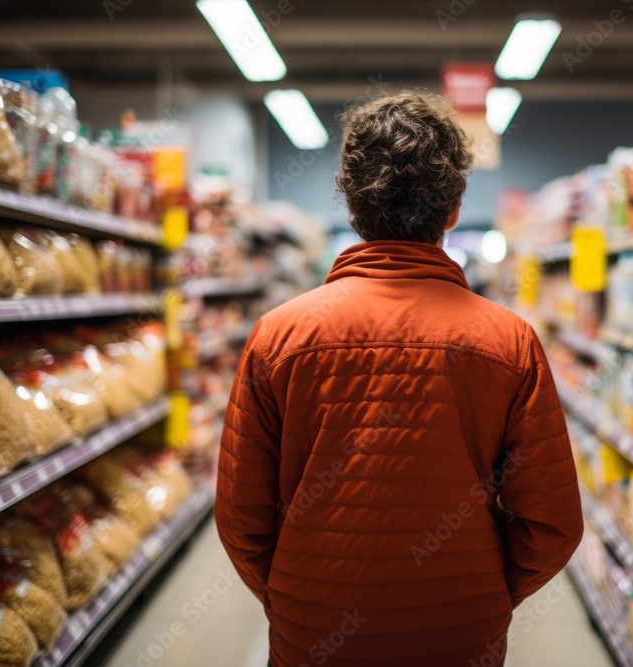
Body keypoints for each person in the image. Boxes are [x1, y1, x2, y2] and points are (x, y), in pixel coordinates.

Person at [216, 92, 583, 667]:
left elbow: (242, 518)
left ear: (353, 205)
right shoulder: (509, 342)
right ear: (455, 207)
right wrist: (482, 594)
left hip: (313, 630)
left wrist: (296, 595)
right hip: (462, 632)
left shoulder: (278, 337)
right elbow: (553, 523)